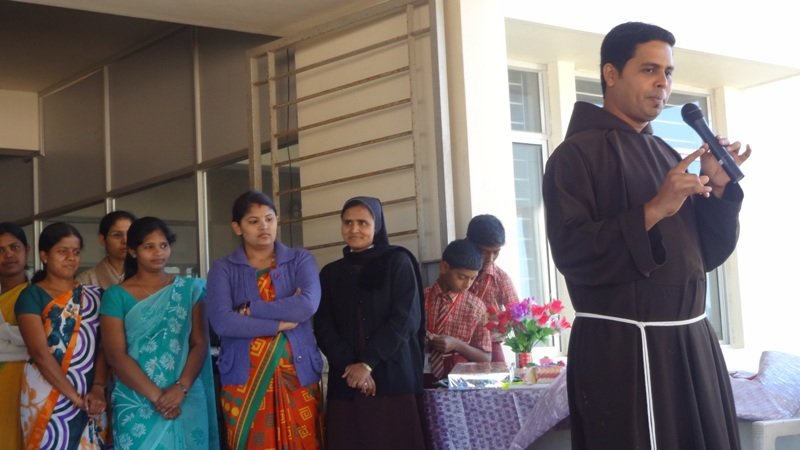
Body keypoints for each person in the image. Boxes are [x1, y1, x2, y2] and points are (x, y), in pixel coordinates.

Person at [542, 22, 752, 450]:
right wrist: (654, 210)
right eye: (649, 69)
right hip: (625, 352)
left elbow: (704, 255)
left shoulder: (666, 154)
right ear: (611, 73)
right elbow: (574, 253)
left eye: (668, 72)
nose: (663, 83)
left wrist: (718, 191)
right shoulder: (574, 156)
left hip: (691, 345)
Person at [207, 191, 323, 450]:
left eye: (269, 219)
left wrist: (251, 309)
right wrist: (278, 324)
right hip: (244, 381)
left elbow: (306, 305)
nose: (264, 226)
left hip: (297, 375)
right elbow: (223, 322)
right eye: (253, 221)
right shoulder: (223, 269)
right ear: (237, 227)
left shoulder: (300, 259)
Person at [314, 196, 426, 450]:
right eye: (348, 222)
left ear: (377, 226)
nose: (354, 229)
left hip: (392, 377)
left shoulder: (398, 262)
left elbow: (406, 319)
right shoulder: (331, 273)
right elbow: (323, 325)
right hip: (347, 381)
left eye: (362, 223)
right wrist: (352, 368)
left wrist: (367, 364)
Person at [100, 217, 219, 449]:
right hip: (137, 400)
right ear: (133, 251)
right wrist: (158, 397)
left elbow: (199, 343)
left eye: (163, 245)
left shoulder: (190, 290)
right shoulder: (115, 296)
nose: (158, 253)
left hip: (185, 396)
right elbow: (115, 356)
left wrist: (180, 389)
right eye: (149, 247)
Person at [15, 222, 107, 449]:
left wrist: (98, 388)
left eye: (75, 252)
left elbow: (104, 346)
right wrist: (75, 399)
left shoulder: (95, 296)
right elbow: (39, 352)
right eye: (62, 251)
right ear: (44, 256)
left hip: (92, 397)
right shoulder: (31, 296)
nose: (71, 258)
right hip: (45, 394)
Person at [425, 238, 491, 385]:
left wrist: (457, 345)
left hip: (459, 382)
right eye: (461, 277)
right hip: (421, 376)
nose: (467, 284)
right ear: (444, 267)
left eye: (472, 279)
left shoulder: (476, 307)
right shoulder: (420, 298)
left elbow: (486, 358)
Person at [466, 214, 519, 362]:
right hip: (457, 343)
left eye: (496, 252)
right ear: (468, 242)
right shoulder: (455, 272)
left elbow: (518, 317)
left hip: (491, 345)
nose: (490, 259)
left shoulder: (501, 278)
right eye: (484, 252)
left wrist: (524, 354)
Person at [0, 223, 30, 450]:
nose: (8, 255)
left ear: (27, 250)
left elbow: (40, 342)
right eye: (0, 250)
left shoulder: (40, 294)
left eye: (14, 247)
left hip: (27, 381)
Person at [77, 211, 136, 289]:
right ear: (102, 240)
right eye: (117, 235)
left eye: (130, 234)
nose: (125, 240)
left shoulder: (146, 275)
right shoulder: (86, 281)